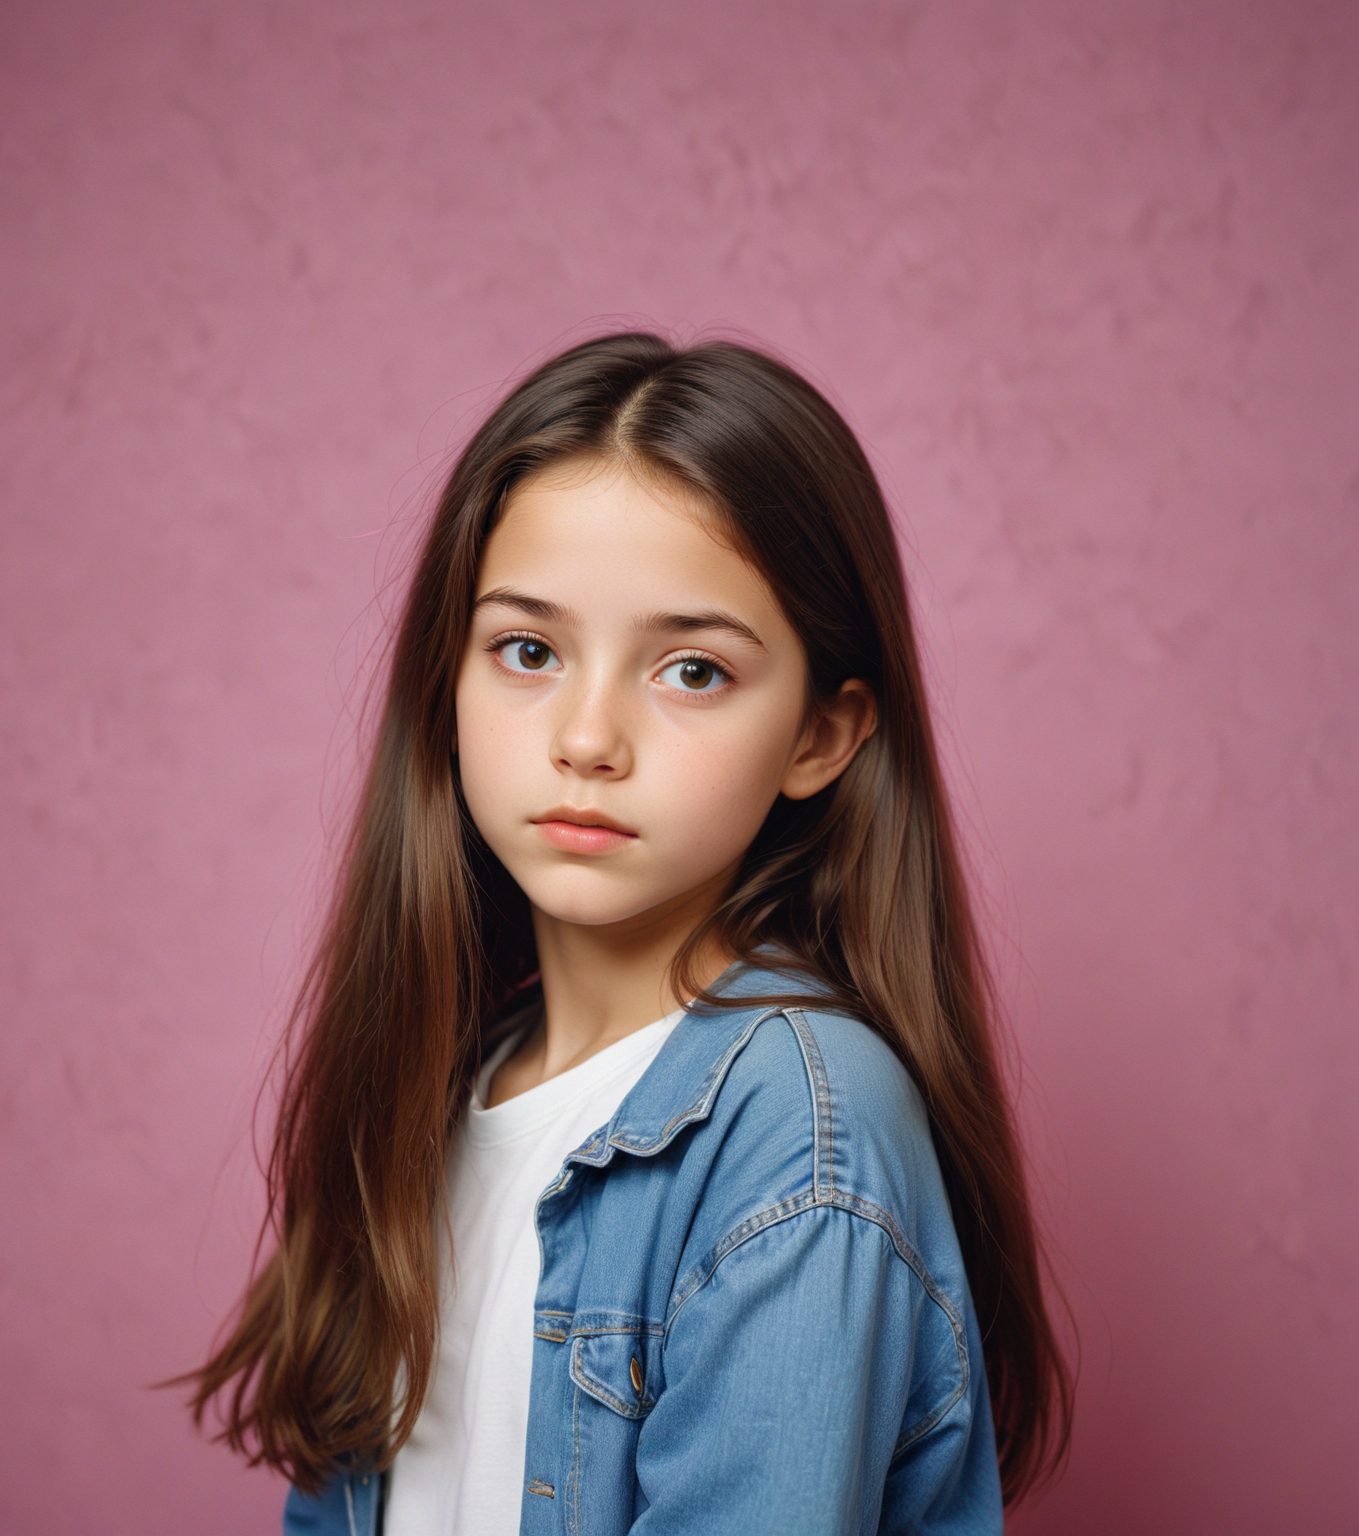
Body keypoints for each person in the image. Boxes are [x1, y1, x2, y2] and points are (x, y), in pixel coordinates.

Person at [184, 333, 1072, 1534]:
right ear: (445, 686)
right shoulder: (444, 1079)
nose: (588, 737)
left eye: (692, 670)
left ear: (822, 734)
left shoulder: (796, 1134)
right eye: (529, 651)